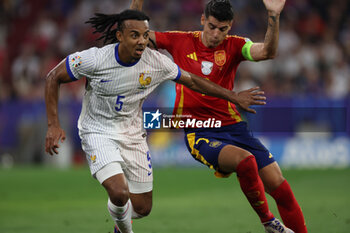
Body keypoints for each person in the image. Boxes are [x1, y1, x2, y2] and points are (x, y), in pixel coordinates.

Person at [44, 9, 267, 233]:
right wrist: (53, 124)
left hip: (132, 133)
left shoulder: (156, 63)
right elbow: (53, 77)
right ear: (119, 36)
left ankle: (119, 224)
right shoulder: (96, 59)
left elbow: (195, 82)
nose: (141, 41)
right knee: (120, 193)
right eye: (134, 35)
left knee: (142, 207)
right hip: (98, 131)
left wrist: (233, 96)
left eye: (145, 35)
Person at [131, 0, 308, 233]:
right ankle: (269, 222)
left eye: (222, 29)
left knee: (280, 187)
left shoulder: (235, 45)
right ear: (203, 20)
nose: (216, 34)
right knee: (245, 161)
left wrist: (273, 16)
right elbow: (138, 34)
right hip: (199, 130)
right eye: (212, 26)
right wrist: (136, 3)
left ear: (230, 27)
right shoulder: (180, 41)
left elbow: (268, 51)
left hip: (234, 127)